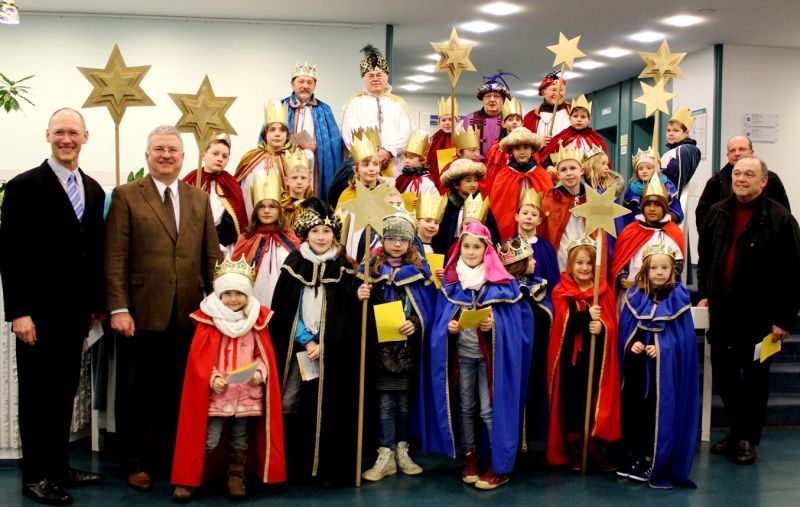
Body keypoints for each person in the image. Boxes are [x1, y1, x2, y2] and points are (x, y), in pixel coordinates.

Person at [105, 125, 220, 492]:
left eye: (172, 149)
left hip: (188, 314)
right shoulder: (126, 196)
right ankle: (135, 461)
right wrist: (118, 308)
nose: (166, 155)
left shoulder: (198, 198)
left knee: (177, 391)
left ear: (183, 157)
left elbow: (210, 256)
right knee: (136, 391)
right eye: (159, 149)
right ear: (147, 155)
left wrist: (219, 304)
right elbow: (115, 256)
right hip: (138, 314)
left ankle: (171, 458)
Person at [0, 108, 104, 505]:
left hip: (74, 316)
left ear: (85, 137)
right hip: (36, 317)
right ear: (48, 135)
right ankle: (35, 476)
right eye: (59, 132)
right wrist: (18, 312)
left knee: (64, 393)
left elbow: (92, 252)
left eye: (73, 132)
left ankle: (58, 466)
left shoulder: (93, 190)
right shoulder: (24, 186)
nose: (66, 139)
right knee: (36, 398)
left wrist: (94, 306)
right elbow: (11, 253)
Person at [697, 156, 800, 465]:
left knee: (755, 379)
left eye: (749, 174)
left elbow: (793, 273)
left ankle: (746, 439)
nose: (741, 179)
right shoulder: (716, 213)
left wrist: (783, 319)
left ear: (764, 181)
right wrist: (705, 294)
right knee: (725, 376)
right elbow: (705, 259)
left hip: (761, 318)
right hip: (723, 313)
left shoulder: (781, 219)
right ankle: (736, 431)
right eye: (737, 173)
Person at [422, 222, 532, 490]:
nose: (471, 252)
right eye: (466, 246)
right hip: (463, 356)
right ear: (459, 248)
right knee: (466, 408)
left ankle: (498, 464)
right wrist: (448, 329)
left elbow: (516, 328)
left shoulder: (502, 284)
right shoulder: (451, 282)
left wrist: (494, 325)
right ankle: (469, 457)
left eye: (477, 247)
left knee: (488, 409)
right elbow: (439, 322)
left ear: (487, 250)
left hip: (489, 361)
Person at [171, 255, 285, 501]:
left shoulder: (256, 321)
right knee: (209, 439)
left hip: (246, 396)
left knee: (239, 438)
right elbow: (201, 361)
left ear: (247, 294)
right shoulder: (208, 321)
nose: (233, 299)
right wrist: (213, 379)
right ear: (220, 295)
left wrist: (260, 373)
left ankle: (236, 476)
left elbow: (263, 356)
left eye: (239, 293)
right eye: (228, 293)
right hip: (218, 397)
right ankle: (191, 478)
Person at [268, 198, 360, 486]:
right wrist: (307, 341)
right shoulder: (293, 264)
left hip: (332, 349)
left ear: (334, 235)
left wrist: (327, 340)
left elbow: (346, 315)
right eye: (315, 231)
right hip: (299, 349)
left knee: (327, 404)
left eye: (327, 231)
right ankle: (291, 465)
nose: (321, 237)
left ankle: (325, 469)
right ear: (306, 234)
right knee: (291, 402)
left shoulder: (343, 268)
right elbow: (285, 311)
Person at [357, 210, 435, 482]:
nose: (398, 244)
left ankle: (403, 450)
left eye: (403, 239)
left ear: (411, 242)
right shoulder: (369, 271)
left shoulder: (419, 272)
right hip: (379, 350)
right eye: (392, 239)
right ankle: (385, 453)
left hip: (407, 351)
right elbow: (358, 315)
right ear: (383, 240)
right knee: (384, 403)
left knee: (404, 403)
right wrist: (360, 295)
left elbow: (428, 307)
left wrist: (415, 322)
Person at [617, 244, 698, 488]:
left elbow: (683, 342)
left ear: (673, 270)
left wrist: (662, 348)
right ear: (645, 270)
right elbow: (627, 331)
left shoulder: (678, 300)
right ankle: (635, 456)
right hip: (637, 372)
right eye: (654, 268)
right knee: (634, 412)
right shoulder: (635, 297)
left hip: (663, 377)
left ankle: (654, 460)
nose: (659, 272)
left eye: (664, 268)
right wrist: (632, 344)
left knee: (655, 415)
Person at [547, 239, 620, 472]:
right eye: (579, 263)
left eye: (589, 263)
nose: (585, 268)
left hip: (595, 358)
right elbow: (562, 325)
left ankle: (593, 446)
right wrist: (587, 316)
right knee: (573, 402)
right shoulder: (561, 291)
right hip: (571, 361)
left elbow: (611, 324)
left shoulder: (603, 291)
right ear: (570, 264)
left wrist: (603, 327)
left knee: (594, 400)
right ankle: (575, 448)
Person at [496, 236, 554, 448]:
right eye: (530, 259)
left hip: (538, 356)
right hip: (516, 358)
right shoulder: (506, 292)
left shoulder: (537, 287)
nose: (535, 262)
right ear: (519, 264)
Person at [611, 176, 685, 307]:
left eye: (657, 205)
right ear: (642, 207)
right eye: (648, 204)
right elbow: (620, 262)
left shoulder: (674, 232)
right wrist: (623, 276)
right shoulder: (630, 232)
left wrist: (659, 283)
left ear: (665, 208)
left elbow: (678, 265)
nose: (652, 209)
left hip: (662, 297)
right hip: (631, 295)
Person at [232, 168, 301, 309]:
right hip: (254, 301)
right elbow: (235, 276)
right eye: (262, 207)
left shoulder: (290, 237)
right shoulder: (246, 239)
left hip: (286, 301)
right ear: (255, 211)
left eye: (272, 207)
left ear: (279, 210)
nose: (267, 211)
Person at [341, 44, 412, 177]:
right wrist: (369, 158)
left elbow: (406, 132)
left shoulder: (398, 104)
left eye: (379, 75)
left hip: (395, 165)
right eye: (370, 75)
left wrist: (389, 151)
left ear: (386, 77)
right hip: (365, 166)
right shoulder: (353, 104)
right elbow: (349, 134)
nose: (375, 79)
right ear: (364, 78)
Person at [695, 135, 790, 230]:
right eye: (732, 150)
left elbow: (783, 214)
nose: (737, 153)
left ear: (752, 152)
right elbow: (702, 216)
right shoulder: (715, 182)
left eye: (742, 149)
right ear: (728, 155)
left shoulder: (771, 179)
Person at [282, 62, 343, 200]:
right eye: (301, 81)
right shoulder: (281, 107)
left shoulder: (324, 110)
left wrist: (317, 147)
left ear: (315, 86)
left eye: (310, 82)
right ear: (292, 84)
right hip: (287, 163)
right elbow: (267, 137)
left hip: (315, 164)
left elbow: (334, 144)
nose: (305, 86)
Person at [181, 133, 248, 254]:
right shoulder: (191, 180)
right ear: (203, 155)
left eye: (224, 156)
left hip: (221, 245)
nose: (220, 158)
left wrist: (214, 241)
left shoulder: (231, 184)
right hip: (192, 243)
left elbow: (235, 219)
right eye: (215, 153)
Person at [234, 99, 294, 217]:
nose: (277, 134)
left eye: (282, 130)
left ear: (287, 136)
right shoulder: (251, 158)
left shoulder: (291, 160)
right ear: (265, 135)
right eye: (272, 129)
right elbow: (237, 189)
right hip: (249, 218)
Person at [489, 127, 550, 240]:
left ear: (532, 149)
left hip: (536, 231)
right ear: (511, 151)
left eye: (526, 147)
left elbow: (548, 208)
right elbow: (498, 210)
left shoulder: (542, 175)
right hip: (510, 234)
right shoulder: (503, 176)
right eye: (517, 148)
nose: (522, 152)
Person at [432, 158, 501, 256]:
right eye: (468, 181)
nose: (473, 185)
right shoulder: (448, 206)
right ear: (456, 185)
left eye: (475, 180)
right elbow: (441, 235)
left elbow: (493, 232)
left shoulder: (480, 205)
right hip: (451, 253)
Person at [538, 144, 588, 273]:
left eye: (573, 168)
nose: (569, 173)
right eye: (564, 170)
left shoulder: (592, 198)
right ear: (558, 174)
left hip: (586, 260)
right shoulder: (549, 199)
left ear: (581, 170)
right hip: (560, 260)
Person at [539, 95, 611, 174]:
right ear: (570, 118)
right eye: (575, 116)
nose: (579, 119)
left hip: (590, 177)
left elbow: (605, 161)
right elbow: (545, 157)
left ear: (589, 120)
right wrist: (548, 166)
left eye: (583, 117)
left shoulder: (596, 138)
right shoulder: (561, 136)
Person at [514, 189, 559, 297]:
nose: (529, 217)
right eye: (525, 213)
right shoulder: (510, 245)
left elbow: (553, 278)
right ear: (517, 217)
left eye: (534, 215)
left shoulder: (546, 247)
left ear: (539, 221)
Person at [622, 147, 683, 226]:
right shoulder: (632, 188)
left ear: (656, 169)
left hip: (661, 226)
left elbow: (676, 210)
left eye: (649, 168)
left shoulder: (666, 185)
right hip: (638, 226)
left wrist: (666, 218)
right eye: (640, 169)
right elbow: (627, 213)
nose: (644, 171)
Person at [478, 97, 524, 196]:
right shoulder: (497, 146)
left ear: (522, 123)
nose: (514, 122)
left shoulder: (529, 144)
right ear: (503, 124)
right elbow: (491, 172)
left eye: (518, 119)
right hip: (502, 187)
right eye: (510, 119)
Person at [463, 73, 515, 158]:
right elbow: (464, 147)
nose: (492, 99)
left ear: (503, 100)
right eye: (487, 96)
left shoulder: (511, 120)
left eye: (496, 96)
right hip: (476, 163)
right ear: (482, 100)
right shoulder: (470, 118)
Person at [660, 108, 701, 197]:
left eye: (676, 130)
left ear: (686, 133)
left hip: (670, 194)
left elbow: (674, 175)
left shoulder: (683, 150)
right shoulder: (671, 150)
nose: (671, 133)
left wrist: (657, 171)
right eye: (668, 130)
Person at [522, 71, 571, 145]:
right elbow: (524, 144)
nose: (557, 94)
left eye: (561, 90)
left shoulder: (574, 112)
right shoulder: (530, 117)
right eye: (553, 90)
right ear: (543, 92)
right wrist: (538, 143)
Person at [426, 96, 458, 191]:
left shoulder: (460, 137)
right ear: (438, 122)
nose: (447, 123)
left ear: (457, 121)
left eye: (450, 119)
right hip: (436, 175)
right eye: (443, 120)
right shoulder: (434, 138)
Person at [280, 148, 314, 228]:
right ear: (286, 181)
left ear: (308, 181)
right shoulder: (280, 207)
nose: (299, 182)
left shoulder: (313, 208)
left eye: (303, 178)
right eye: (294, 177)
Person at [395, 130, 437, 195]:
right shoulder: (401, 179)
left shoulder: (427, 183)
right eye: (406, 157)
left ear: (423, 160)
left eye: (411, 158)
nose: (407, 160)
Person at [416, 189, 446, 255]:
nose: (432, 225)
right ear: (417, 222)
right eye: (427, 221)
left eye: (436, 223)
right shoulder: (410, 246)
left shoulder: (440, 249)